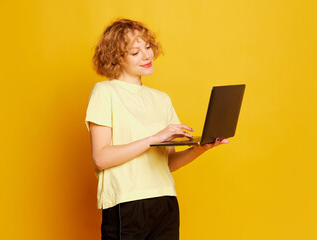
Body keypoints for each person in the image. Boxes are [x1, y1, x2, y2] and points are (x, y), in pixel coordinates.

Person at [85, 18, 229, 240]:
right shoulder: (105, 93)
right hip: (126, 203)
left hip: (166, 202)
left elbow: (168, 163)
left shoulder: (162, 100)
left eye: (148, 47)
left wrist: (201, 149)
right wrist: (155, 138)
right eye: (135, 52)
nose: (146, 56)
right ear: (116, 58)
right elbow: (101, 158)